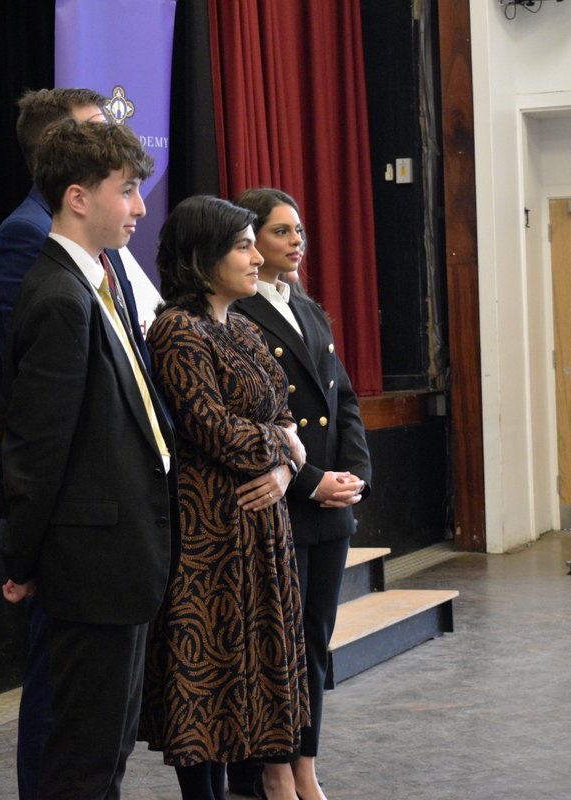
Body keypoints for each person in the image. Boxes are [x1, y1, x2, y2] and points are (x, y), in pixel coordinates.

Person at [0, 87, 163, 800]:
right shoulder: (55, 286)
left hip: (120, 554)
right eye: (129, 190)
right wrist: (24, 557)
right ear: (79, 196)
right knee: (77, 762)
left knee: (101, 756)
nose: (141, 208)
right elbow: (38, 439)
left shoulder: (92, 277)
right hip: (88, 556)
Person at [138, 195, 309, 800]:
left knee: (247, 681)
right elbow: (211, 429)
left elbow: (284, 413)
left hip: (261, 529)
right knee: (205, 681)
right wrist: (282, 445)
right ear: (202, 257)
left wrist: (286, 467)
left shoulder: (239, 325)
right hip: (209, 534)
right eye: (242, 245)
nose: (256, 256)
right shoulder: (177, 330)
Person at [229, 188, 372, 800]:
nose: (297, 243)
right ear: (251, 242)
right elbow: (260, 419)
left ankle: (305, 762)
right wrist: (314, 481)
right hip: (283, 503)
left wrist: (355, 477)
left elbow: (344, 402)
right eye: (283, 232)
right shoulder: (236, 316)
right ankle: (273, 769)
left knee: (312, 641)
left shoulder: (309, 310)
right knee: (275, 648)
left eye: (300, 232)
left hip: (328, 506)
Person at [0, 87, 160, 361]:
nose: (108, 141)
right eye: (94, 132)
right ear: (56, 143)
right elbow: (40, 363)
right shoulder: (24, 234)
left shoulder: (101, 227)